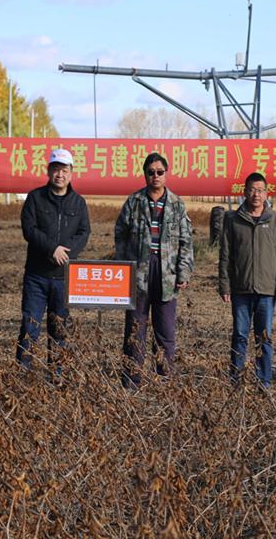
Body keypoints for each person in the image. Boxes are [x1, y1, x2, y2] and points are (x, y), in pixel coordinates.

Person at [115, 152, 194, 388]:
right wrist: (124, 265)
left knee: (166, 332)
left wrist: (184, 271)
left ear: (166, 174)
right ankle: (132, 381)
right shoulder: (134, 202)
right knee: (135, 330)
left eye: (160, 172)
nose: (155, 176)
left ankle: (165, 381)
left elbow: (186, 242)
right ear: (145, 175)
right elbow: (120, 234)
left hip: (166, 274)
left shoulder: (177, 205)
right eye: (151, 172)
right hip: (138, 272)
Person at [16, 148, 90, 374]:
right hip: (36, 276)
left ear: (71, 173)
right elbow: (29, 229)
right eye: (56, 169)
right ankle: (22, 372)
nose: (60, 174)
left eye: (64, 170)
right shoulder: (35, 198)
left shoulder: (78, 203)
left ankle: (56, 375)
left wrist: (67, 254)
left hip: (63, 279)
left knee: (59, 330)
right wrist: (52, 249)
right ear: (49, 171)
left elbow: (84, 232)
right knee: (31, 326)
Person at [218, 172, 276, 390]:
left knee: (264, 338)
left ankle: (264, 381)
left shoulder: (274, 219)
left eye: (260, 190)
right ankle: (236, 381)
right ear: (244, 192)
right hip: (240, 289)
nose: (255, 194)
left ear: (266, 193)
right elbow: (225, 255)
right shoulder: (233, 219)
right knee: (240, 334)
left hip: (266, 291)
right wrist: (224, 284)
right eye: (251, 189)